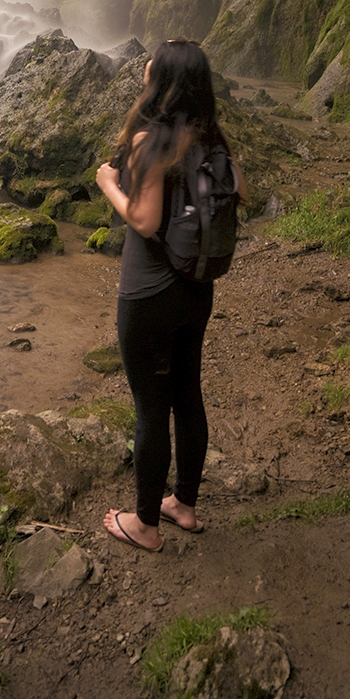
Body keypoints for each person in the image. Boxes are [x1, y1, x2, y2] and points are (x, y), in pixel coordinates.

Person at [94, 38, 245, 552]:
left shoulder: (149, 141)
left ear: (162, 77)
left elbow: (144, 219)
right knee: (188, 395)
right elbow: (237, 194)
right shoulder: (214, 140)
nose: (144, 64)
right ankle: (182, 504)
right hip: (196, 291)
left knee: (149, 406)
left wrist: (108, 183)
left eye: (151, 61)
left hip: (147, 294)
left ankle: (143, 526)